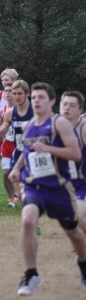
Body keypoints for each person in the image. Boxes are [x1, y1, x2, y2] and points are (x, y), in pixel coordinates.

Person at [8, 82, 86, 296]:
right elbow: (27, 152)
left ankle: (83, 264)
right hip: (35, 185)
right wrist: (16, 170)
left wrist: (49, 148)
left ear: (51, 101)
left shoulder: (59, 124)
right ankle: (32, 273)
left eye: (41, 97)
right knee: (27, 220)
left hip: (60, 188)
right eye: (34, 98)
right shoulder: (30, 125)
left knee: (74, 232)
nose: (36, 101)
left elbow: (75, 154)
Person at [0, 81, 33, 207]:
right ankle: (26, 208)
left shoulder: (35, 111)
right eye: (14, 93)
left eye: (20, 94)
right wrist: (0, 133)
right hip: (18, 152)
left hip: (34, 152)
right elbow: (3, 131)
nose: (16, 97)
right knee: (17, 182)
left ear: (27, 94)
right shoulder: (10, 112)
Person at [59, 91, 86, 232]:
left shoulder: (83, 127)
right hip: (66, 184)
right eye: (64, 104)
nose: (67, 108)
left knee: (72, 217)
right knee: (69, 221)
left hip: (83, 183)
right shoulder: (53, 126)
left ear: (80, 110)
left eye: (72, 105)